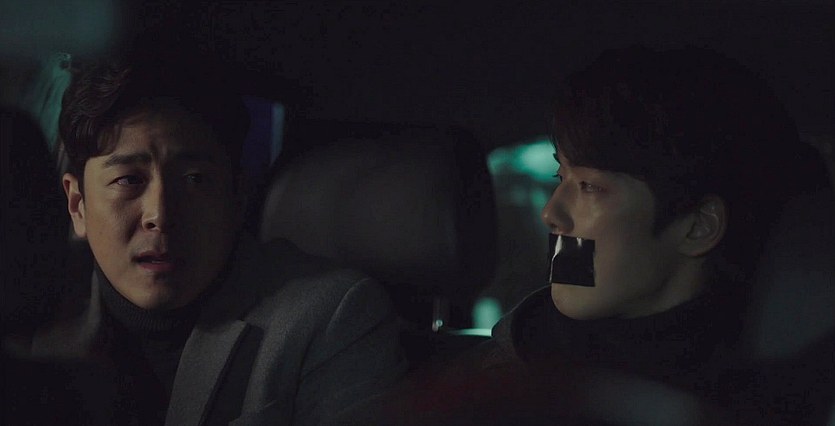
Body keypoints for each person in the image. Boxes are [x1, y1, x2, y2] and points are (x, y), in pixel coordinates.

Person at [370, 46, 830, 426]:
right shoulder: (478, 386)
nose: (552, 214)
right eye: (561, 176)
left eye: (589, 186)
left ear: (697, 226)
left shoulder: (788, 399)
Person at [25, 38, 406, 426]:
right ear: (78, 205)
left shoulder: (328, 318)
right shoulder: (27, 310)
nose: (160, 215)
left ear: (237, 197)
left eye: (194, 179)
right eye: (129, 180)